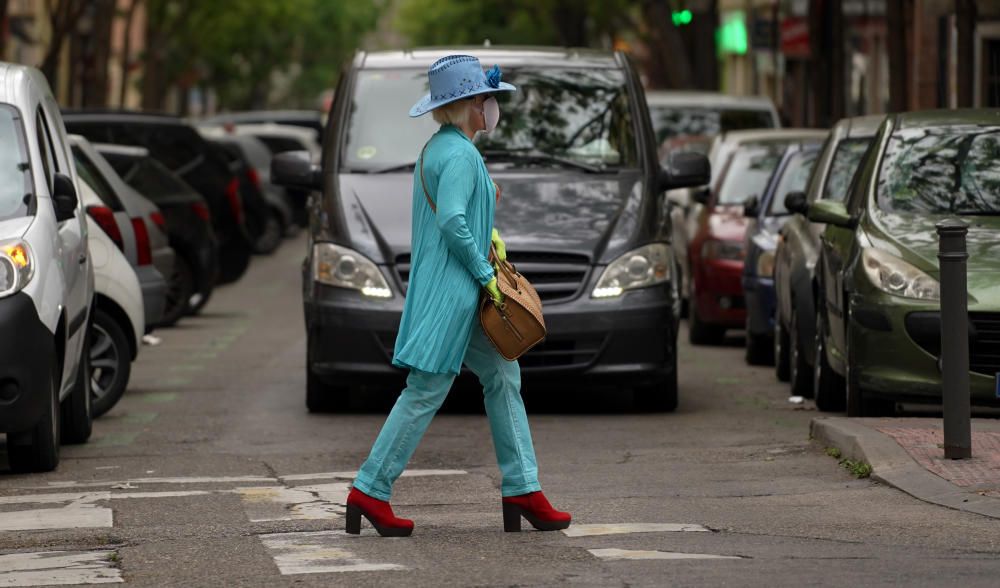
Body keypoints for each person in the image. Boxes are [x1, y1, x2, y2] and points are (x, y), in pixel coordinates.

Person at [346, 55, 571, 537]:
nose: (492, 107)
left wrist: (489, 238)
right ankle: (370, 489)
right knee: (426, 390)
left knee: (502, 376)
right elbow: (451, 219)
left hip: (452, 291)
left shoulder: (438, 150)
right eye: (488, 98)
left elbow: (456, 216)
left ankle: (523, 488)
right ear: (470, 102)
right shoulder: (462, 156)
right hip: (456, 293)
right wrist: (483, 270)